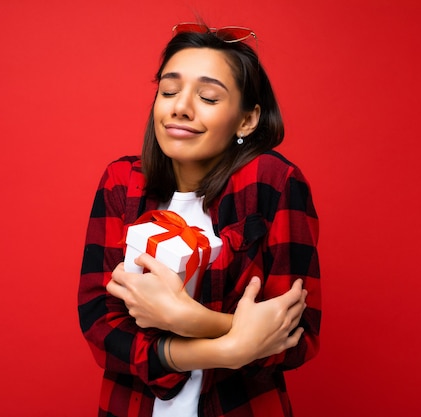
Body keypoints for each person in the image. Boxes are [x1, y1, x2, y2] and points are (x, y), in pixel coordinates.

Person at [78, 22, 321, 417]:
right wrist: (226, 347)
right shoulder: (122, 183)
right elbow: (99, 325)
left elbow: (296, 334)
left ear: (247, 120)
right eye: (169, 90)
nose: (180, 107)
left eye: (208, 97)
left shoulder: (273, 183)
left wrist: (191, 319)